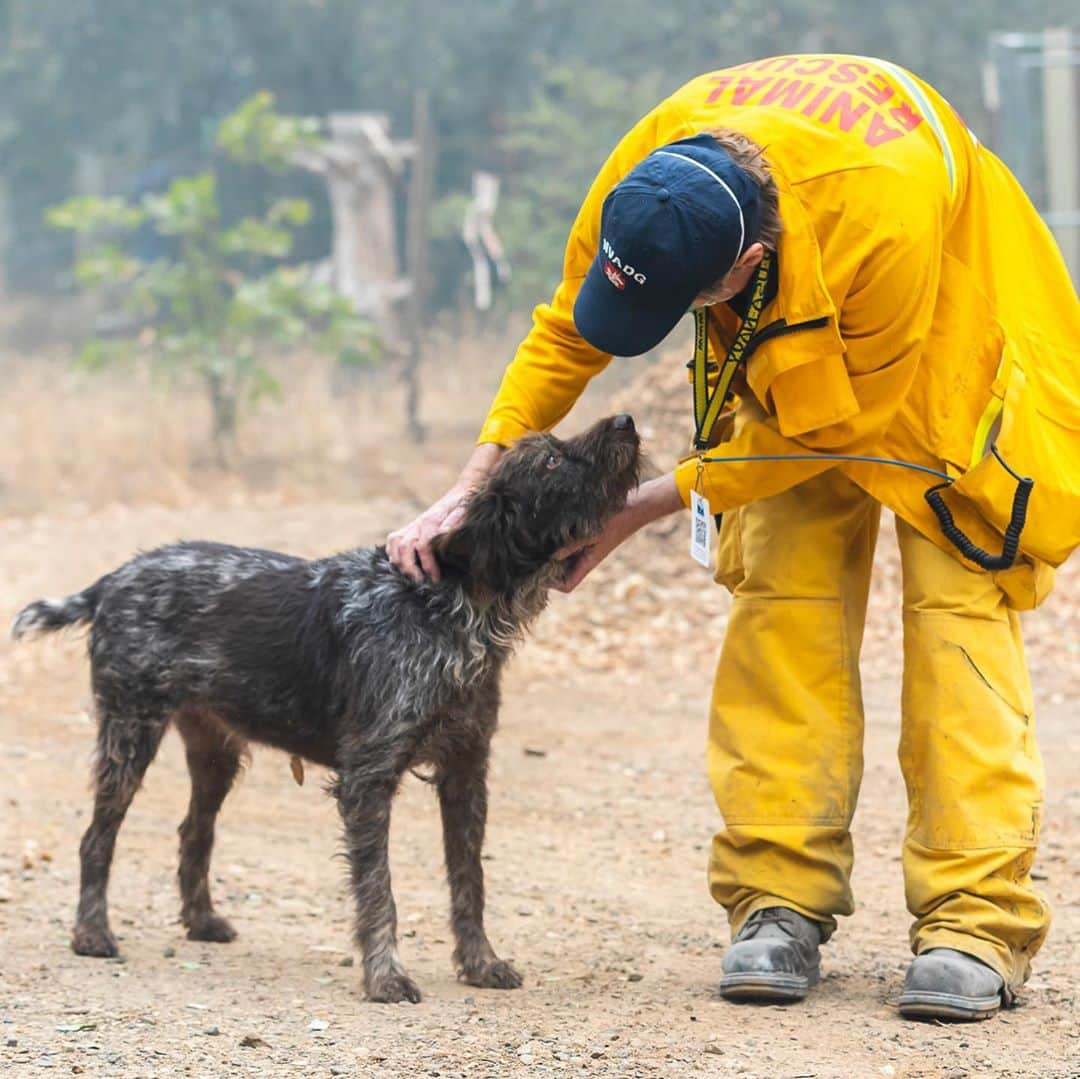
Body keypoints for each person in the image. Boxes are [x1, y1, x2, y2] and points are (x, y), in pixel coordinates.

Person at [387, 54, 1080, 1020]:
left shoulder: (885, 213)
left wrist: (637, 507)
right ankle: (778, 897)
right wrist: (469, 482)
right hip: (793, 351)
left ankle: (974, 919)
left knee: (958, 628)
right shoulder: (647, 173)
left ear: (746, 267)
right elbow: (564, 334)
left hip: (948, 345)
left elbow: (832, 432)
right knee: (781, 609)